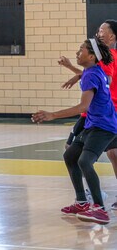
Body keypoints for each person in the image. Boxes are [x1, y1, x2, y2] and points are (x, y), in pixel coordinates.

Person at [32, 38, 116, 225]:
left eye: (81, 50)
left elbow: (82, 106)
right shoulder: (92, 71)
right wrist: (75, 73)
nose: (78, 53)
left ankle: (100, 209)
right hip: (94, 124)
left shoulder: (91, 74)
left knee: (85, 161)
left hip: (104, 127)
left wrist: (52, 115)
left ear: (92, 56)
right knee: (70, 156)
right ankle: (81, 202)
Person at [58, 19, 117, 208]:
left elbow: (102, 80)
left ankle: (94, 197)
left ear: (112, 36)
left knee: (92, 157)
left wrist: (75, 71)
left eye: (102, 30)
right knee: (72, 153)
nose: (98, 33)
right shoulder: (99, 62)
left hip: (103, 115)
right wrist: (77, 73)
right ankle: (85, 197)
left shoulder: (109, 59)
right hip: (94, 115)